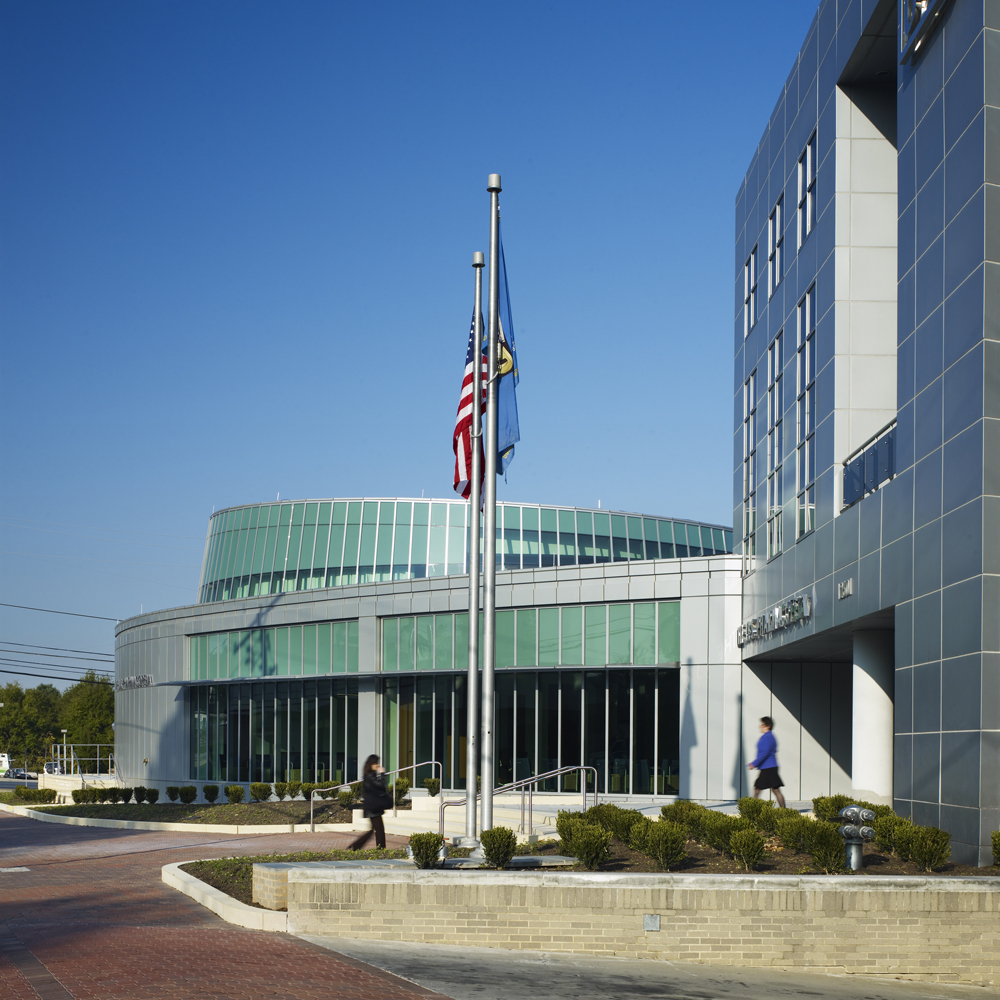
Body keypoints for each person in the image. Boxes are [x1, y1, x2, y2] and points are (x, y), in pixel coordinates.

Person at [348, 753, 392, 850]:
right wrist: (382, 774)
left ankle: (355, 847)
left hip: (373, 806)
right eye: (376, 763)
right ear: (371, 764)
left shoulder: (369, 775)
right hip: (373, 807)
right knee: (379, 829)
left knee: (375, 829)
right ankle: (379, 848)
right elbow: (380, 784)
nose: (378, 765)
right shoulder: (370, 776)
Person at [747, 716, 786, 808]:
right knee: (775, 790)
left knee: (758, 790)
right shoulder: (769, 736)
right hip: (769, 767)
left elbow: (765, 753)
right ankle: (784, 811)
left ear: (767, 726)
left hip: (768, 767)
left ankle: (752, 811)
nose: (760, 727)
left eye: (762, 725)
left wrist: (754, 764)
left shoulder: (768, 737)